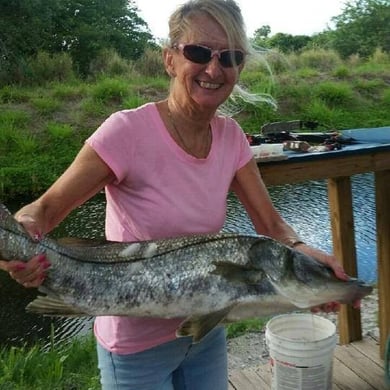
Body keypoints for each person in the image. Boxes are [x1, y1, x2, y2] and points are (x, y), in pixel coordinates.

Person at [0, 0, 351, 388]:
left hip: (206, 329)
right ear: (170, 59)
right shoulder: (125, 132)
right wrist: (20, 236)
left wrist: (303, 257)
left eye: (230, 57)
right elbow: (45, 210)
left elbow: (271, 224)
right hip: (133, 347)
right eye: (199, 52)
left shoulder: (232, 137)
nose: (214, 69)